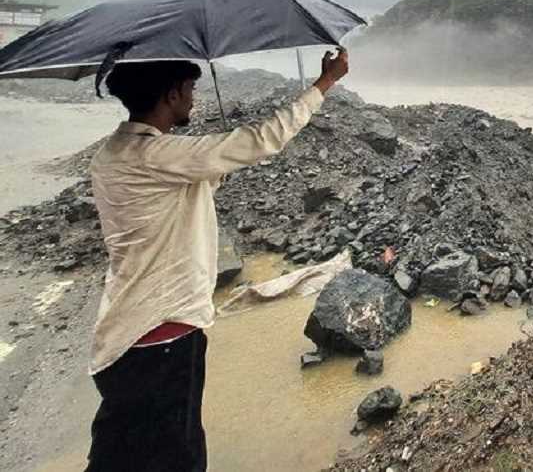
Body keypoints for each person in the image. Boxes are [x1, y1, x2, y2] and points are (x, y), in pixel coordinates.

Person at [84, 49, 350, 471]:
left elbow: (185, 187)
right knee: (178, 458)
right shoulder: (159, 156)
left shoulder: (115, 154)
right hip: (163, 336)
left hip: (123, 335)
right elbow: (264, 138)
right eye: (190, 89)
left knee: (117, 458)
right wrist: (324, 84)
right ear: (171, 94)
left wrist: (218, 163)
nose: (193, 99)